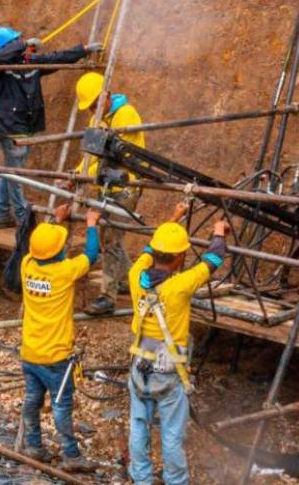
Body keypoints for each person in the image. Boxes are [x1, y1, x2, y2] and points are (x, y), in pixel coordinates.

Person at [128, 206, 229, 485]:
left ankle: (142, 479)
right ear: (180, 257)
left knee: (139, 427)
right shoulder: (180, 286)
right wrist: (219, 232)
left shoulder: (136, 276)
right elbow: (214, 256)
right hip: (168, 372)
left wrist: (172, 218)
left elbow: (148, 249)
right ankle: (176, 481)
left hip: (139, 369)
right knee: (171, 435)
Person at [0, 25, 101, 227]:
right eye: (15, 41)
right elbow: (2, 55)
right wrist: (25, 43)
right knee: (16, 173)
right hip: (11, 128)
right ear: (7, 46)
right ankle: (23, 217)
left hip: (23, 126)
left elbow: (55, 58)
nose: (20, 43)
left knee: (12, 170)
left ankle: (1, 214)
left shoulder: (29, 62)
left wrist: (83, 50)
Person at [20, 201, 102, 471]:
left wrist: (55, 220)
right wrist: (91, 224)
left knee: (32, 400)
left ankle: (33, 445)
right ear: (58, 251)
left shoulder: (27, 264)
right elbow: (91, 254)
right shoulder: (65, 272)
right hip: (56, 356)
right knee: (61, 406)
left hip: (30, 352)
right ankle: (71, 456)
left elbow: (44, 246)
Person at [72, 72, 146, 317]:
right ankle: (129, 279)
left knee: (112, 239)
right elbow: (93, 155)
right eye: (90, 106)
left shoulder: (126, 114)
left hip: (126, 185)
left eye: (94, 104)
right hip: (107, 184)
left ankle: (107, 296)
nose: (93, 109)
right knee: (108, 238)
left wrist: (86, 172)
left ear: (106, 96)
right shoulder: (99, 117)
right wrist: (78, 172)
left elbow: (114, 157)